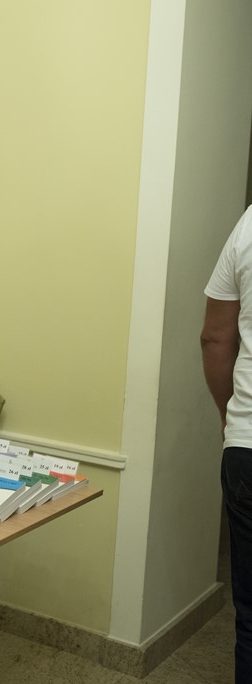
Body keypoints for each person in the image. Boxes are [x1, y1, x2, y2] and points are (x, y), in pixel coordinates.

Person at [201, 204, 252, 682]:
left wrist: (228, 418)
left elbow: (215, 338)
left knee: (251, 615)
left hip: (247, 445)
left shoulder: (248, 224)